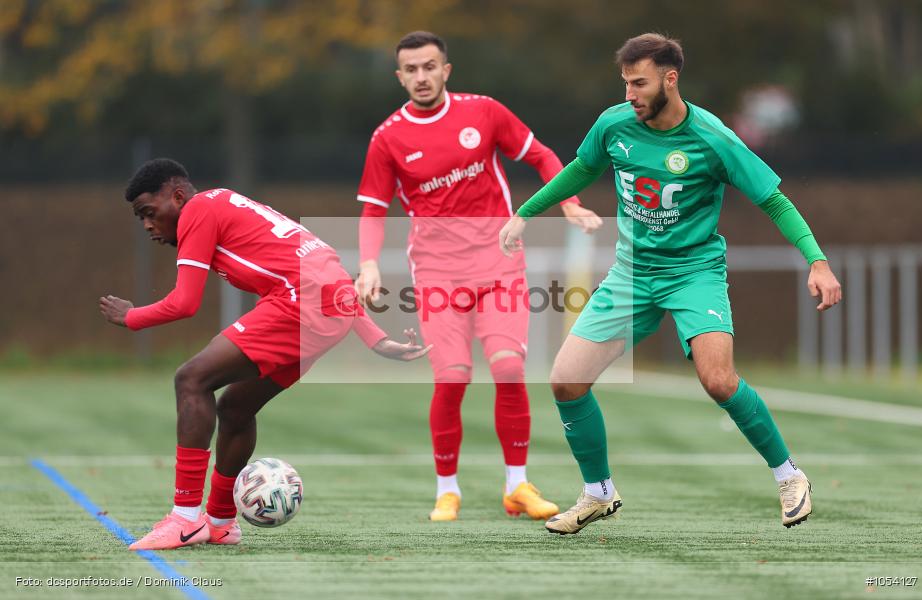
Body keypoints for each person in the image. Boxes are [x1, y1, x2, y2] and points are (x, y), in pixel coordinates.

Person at [499, 33, 842, 535]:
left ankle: (789, 476)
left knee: (718, 380)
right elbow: (580, 169)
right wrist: (525, 212)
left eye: (639, 83)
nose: (629, 94)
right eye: (625, 84)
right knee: (566, 382)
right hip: (631, 274)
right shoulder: (613, 125)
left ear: (670, 78)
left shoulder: (713, 138)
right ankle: (598, 492)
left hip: (693, 273)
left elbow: (773, 200)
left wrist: (817, 260)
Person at [100, 158, 429, 550]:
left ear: (177, 196)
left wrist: (132, 316)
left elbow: (185, 303)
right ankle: (220, 522)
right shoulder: (229, 202)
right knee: (236, 407)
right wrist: (378, 340)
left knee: (191, 379)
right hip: (325, 308)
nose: (148, 226)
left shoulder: (199, 210)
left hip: (299, 304)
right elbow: (326, 270)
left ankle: (185, 519)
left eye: (149, 213)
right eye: (141, 219)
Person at [355, 30, 604, 522]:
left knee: (509, 369)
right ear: (400, 77)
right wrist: (367, 263)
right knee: (451, 378)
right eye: (412, 69)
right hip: (437, 274)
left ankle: (517, 485)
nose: (422, 77)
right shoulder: (388, 137)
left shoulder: (484, 112)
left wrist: (570, 203)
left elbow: (542, 156)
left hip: (499, 264)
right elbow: (371, 210)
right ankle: (447, 489)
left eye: (430, 67)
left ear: (446, 70)